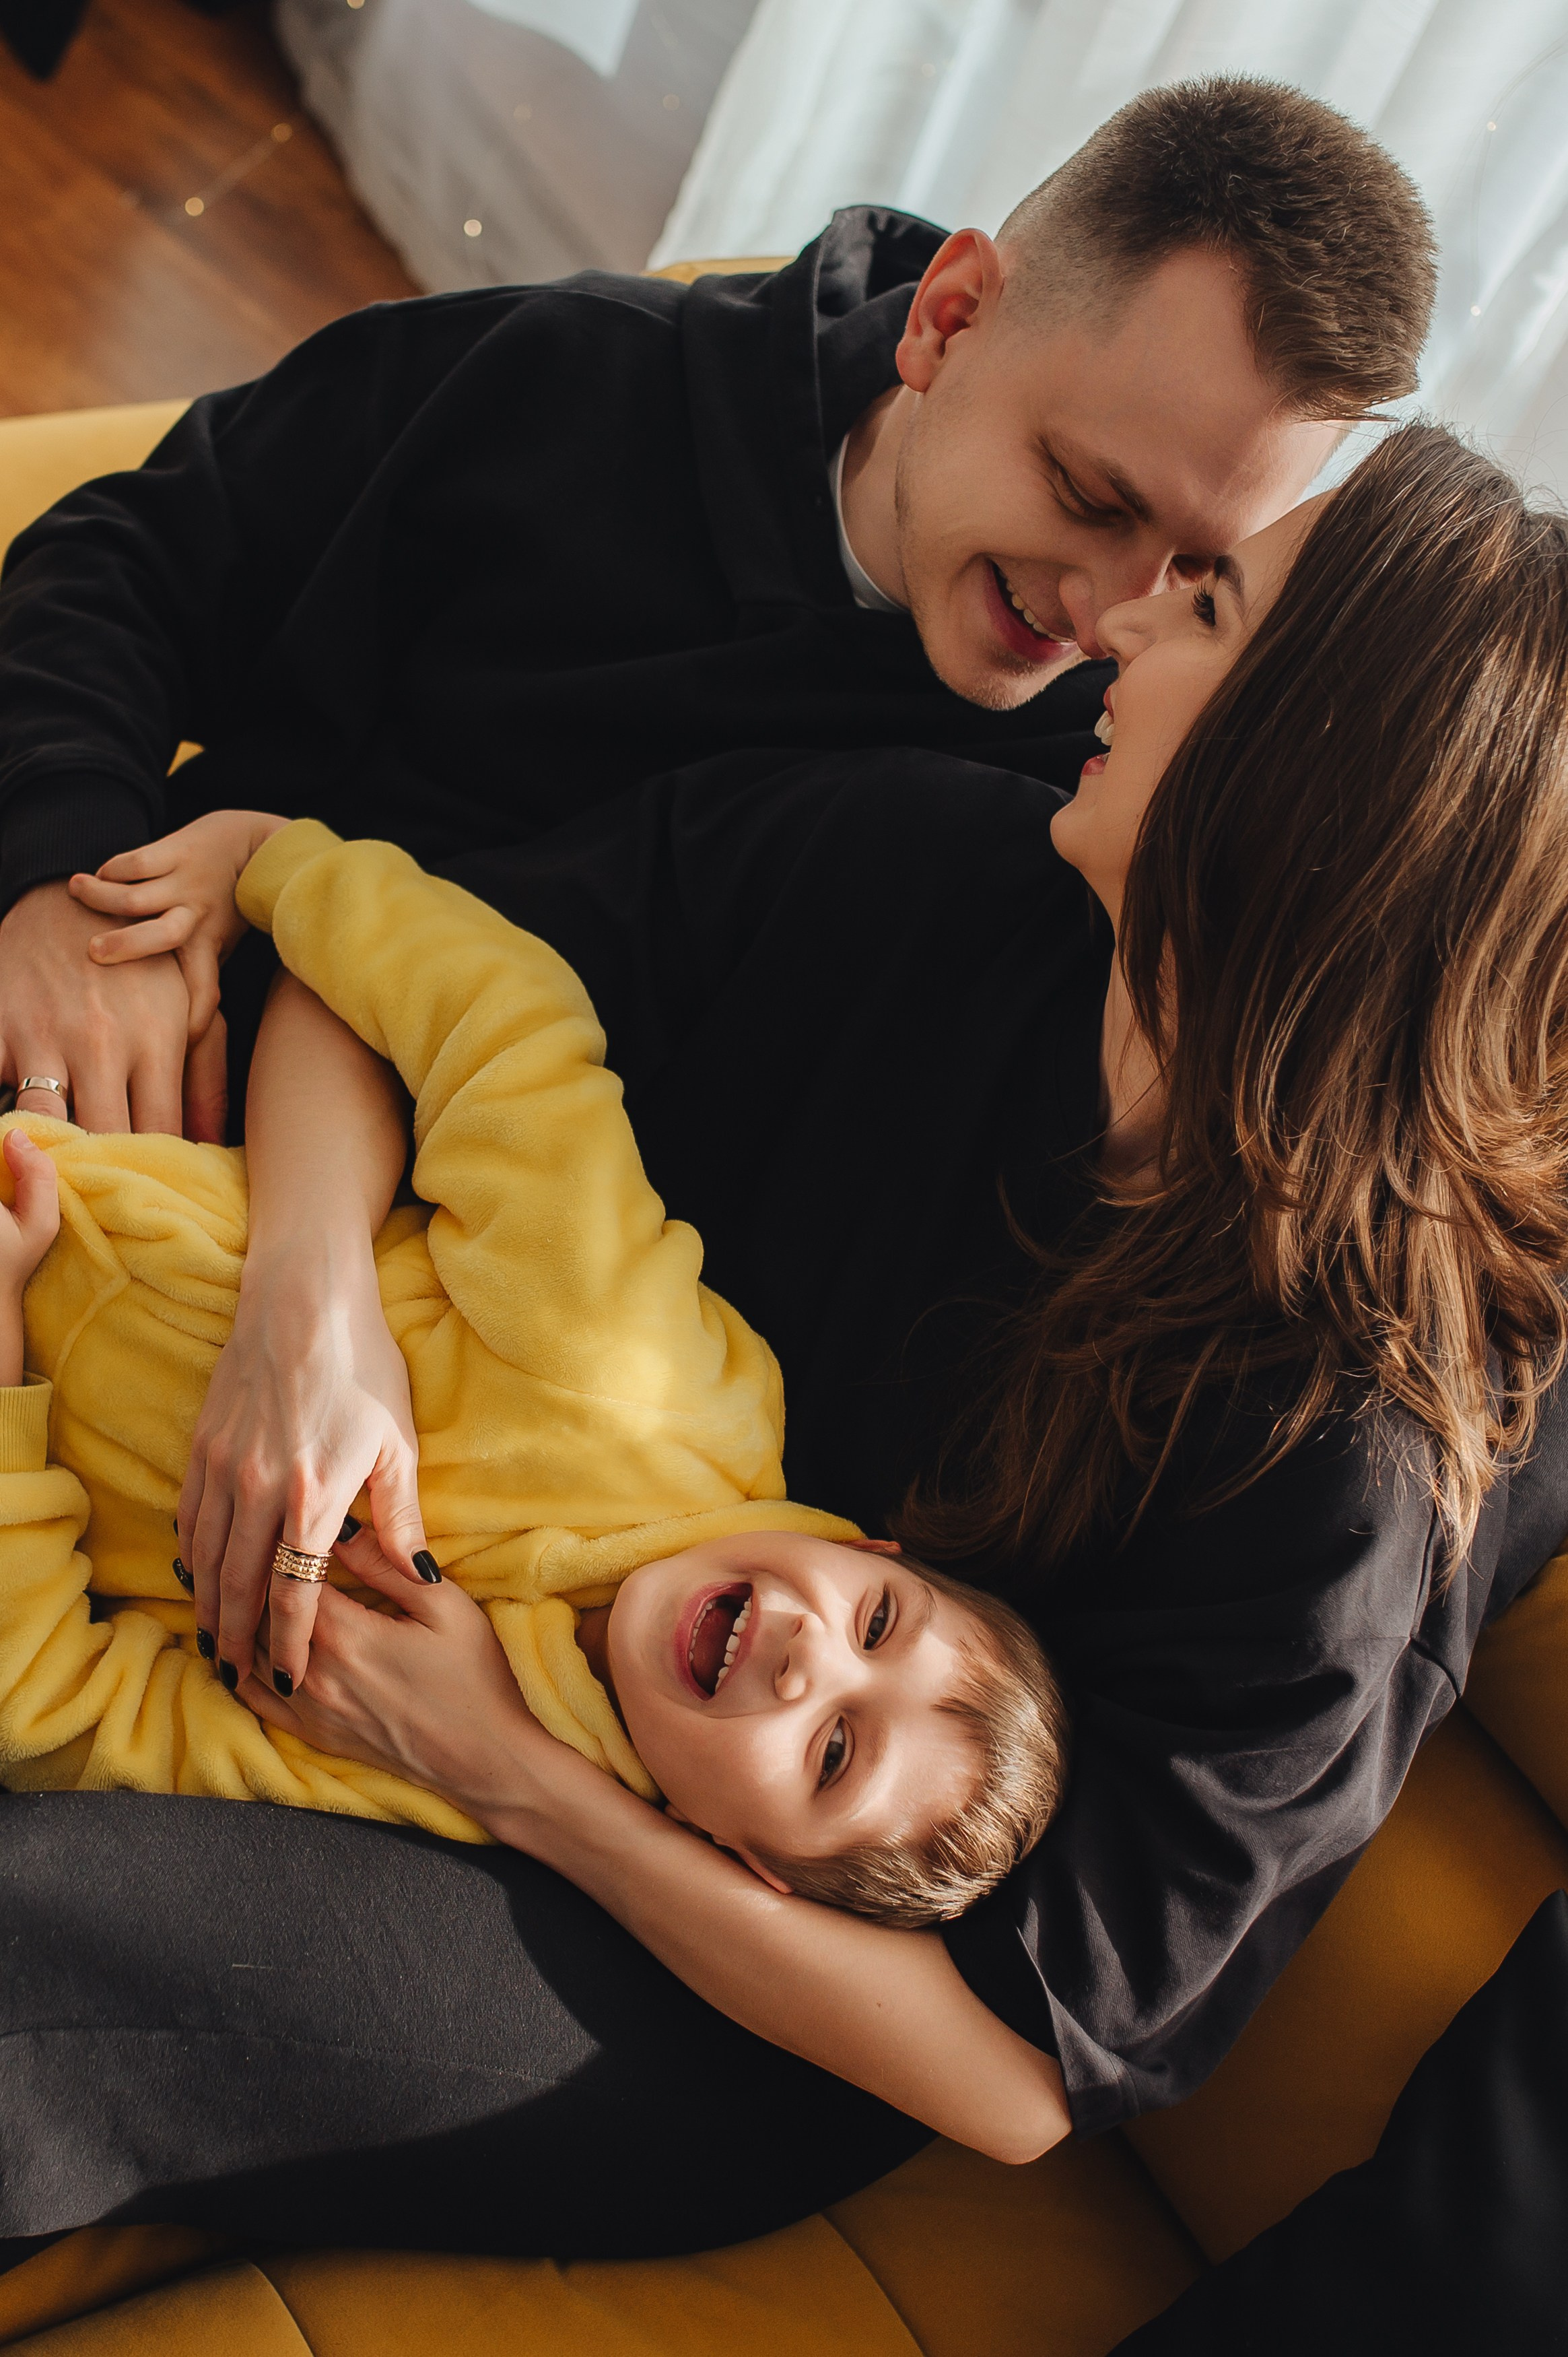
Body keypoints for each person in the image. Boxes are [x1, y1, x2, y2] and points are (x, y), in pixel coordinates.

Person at [0, 421, 1560, 2270]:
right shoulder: (936, 863)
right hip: (446, 1534)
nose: (1127, 619)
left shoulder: (1341, 1470)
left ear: (1312, 793)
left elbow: (1008, 2079)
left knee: (39, 1946)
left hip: (730, 1969)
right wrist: (309, 1301)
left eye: (1208, 606)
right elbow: (421, 967)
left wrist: (520, 1774)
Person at [0, 76, 1432, 1151]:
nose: (1113, 616)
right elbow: (130, 559)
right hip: (121, 1013)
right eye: (1087, 493)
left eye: (1196, 570)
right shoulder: (564, 379)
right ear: (948, 315)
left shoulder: (1094, 796)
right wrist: (55, 889)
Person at [0, 821, 1062, 1927]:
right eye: (879, 1622)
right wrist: (280, 863)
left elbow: (55, 1715)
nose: (810, 1661)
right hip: (71, 1106)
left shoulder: (414, 1751)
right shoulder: (654, 1390)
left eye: (835, 1752)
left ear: (747, 1867)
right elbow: (501, 1030)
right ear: (865, 1549)